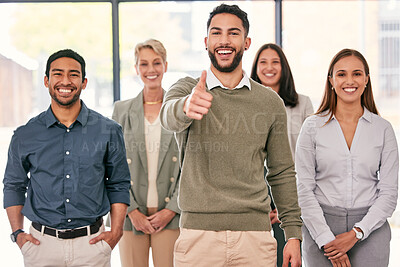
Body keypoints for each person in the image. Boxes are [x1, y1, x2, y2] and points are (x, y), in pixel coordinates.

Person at [160, 4, 302, 267]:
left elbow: (281, 172)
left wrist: (293, 233)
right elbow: (167, 116)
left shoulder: (269, 102)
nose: (224, 40)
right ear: (206, 42)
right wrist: (186, 106)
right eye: (217, 33)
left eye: (233, 33)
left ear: (246, 42)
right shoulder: (187, 89)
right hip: (198, 237)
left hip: (255, 238)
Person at [3, 49, 131, 267]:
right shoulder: (26, 134)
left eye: (73, 74)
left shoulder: (108, 130)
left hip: (92, 246)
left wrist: (116, 233)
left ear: (84, 82)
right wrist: (18, 234)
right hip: (40, 246)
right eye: (57, 74)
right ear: (46, 80)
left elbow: (119, 183)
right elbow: (14, 185)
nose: (65, 81)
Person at [296, 48, 399, 267]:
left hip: (370, 229)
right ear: (331, 80)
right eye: (341, 74)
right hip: (319, 226)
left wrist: (356, 233)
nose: (349, 80)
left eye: (357, 74)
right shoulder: (312, 127)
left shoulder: (383, 129)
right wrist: (328, 241)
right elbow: (303, 189)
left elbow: (389, 193)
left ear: (366, 80)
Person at [111, 39, 180, 267]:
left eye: (157, 63)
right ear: (136, 68)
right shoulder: (121, 111)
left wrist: (171, 210)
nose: (151, 70)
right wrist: (131, 211)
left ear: (166, 66)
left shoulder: (179, 108)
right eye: (144, 64)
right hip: (131, 217)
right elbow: (111, 165)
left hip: (171, 217)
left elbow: (190, 165)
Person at [250, 43, 314, 267]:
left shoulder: (303, 104)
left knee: (286, 258)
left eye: (275, 62)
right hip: (253, 190)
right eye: (263, 62)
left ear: (284, 67)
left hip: (289, 187)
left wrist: (289, 205)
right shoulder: (246, 104)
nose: (269, 67)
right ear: (255, 68)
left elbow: (311, 158)